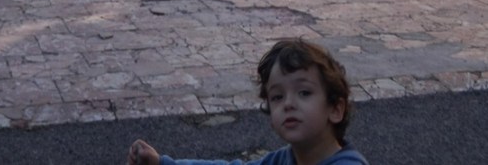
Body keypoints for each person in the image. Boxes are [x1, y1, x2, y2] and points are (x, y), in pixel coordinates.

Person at [127, 39, 369, 165]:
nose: (288, 103)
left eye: (304, 93)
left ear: (336, 109)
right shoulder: (284, 159)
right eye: (277, 97)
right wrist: (164, 163)